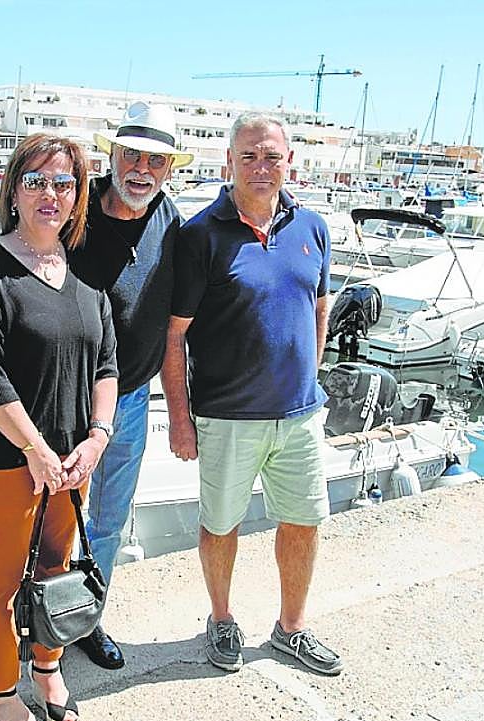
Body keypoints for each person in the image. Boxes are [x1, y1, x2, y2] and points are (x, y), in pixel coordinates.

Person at [163, 114, 343, 677]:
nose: (261, 167)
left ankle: (291, 628)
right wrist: (180, 420)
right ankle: (221, 619)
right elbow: (174, 336)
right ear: (229, 163)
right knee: (221, 525)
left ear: (290, 162)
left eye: (271, 157)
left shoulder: (312, 227)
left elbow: (319, 307)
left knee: (305, 521)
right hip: (227, 416)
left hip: (299, 416)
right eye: (249, 157)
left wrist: (308, 377)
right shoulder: (200, 236)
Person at [0, 133, 118, 721]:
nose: (51, 194)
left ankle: (47, 669)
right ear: (14, 190)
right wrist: (36, 451)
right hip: (6, 457)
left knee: (56, 568)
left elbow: (107, 365)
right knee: (2, 579)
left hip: (73, 460)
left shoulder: (86, 274)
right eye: (37, 181)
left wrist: (96, 439)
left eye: (64, 183)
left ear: (78, 196)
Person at [66, 101, 192, 670]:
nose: (142, 169)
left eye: (156, 161)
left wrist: (182, 413)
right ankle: (35, 622)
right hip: (64, 396)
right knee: (51, 518)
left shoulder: (172, 223)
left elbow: (175, 328)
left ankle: (85, 619)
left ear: (170, 169)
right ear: (112, 156)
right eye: (132, 155)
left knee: (109, 522)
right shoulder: (73, 208)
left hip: (132, 399)